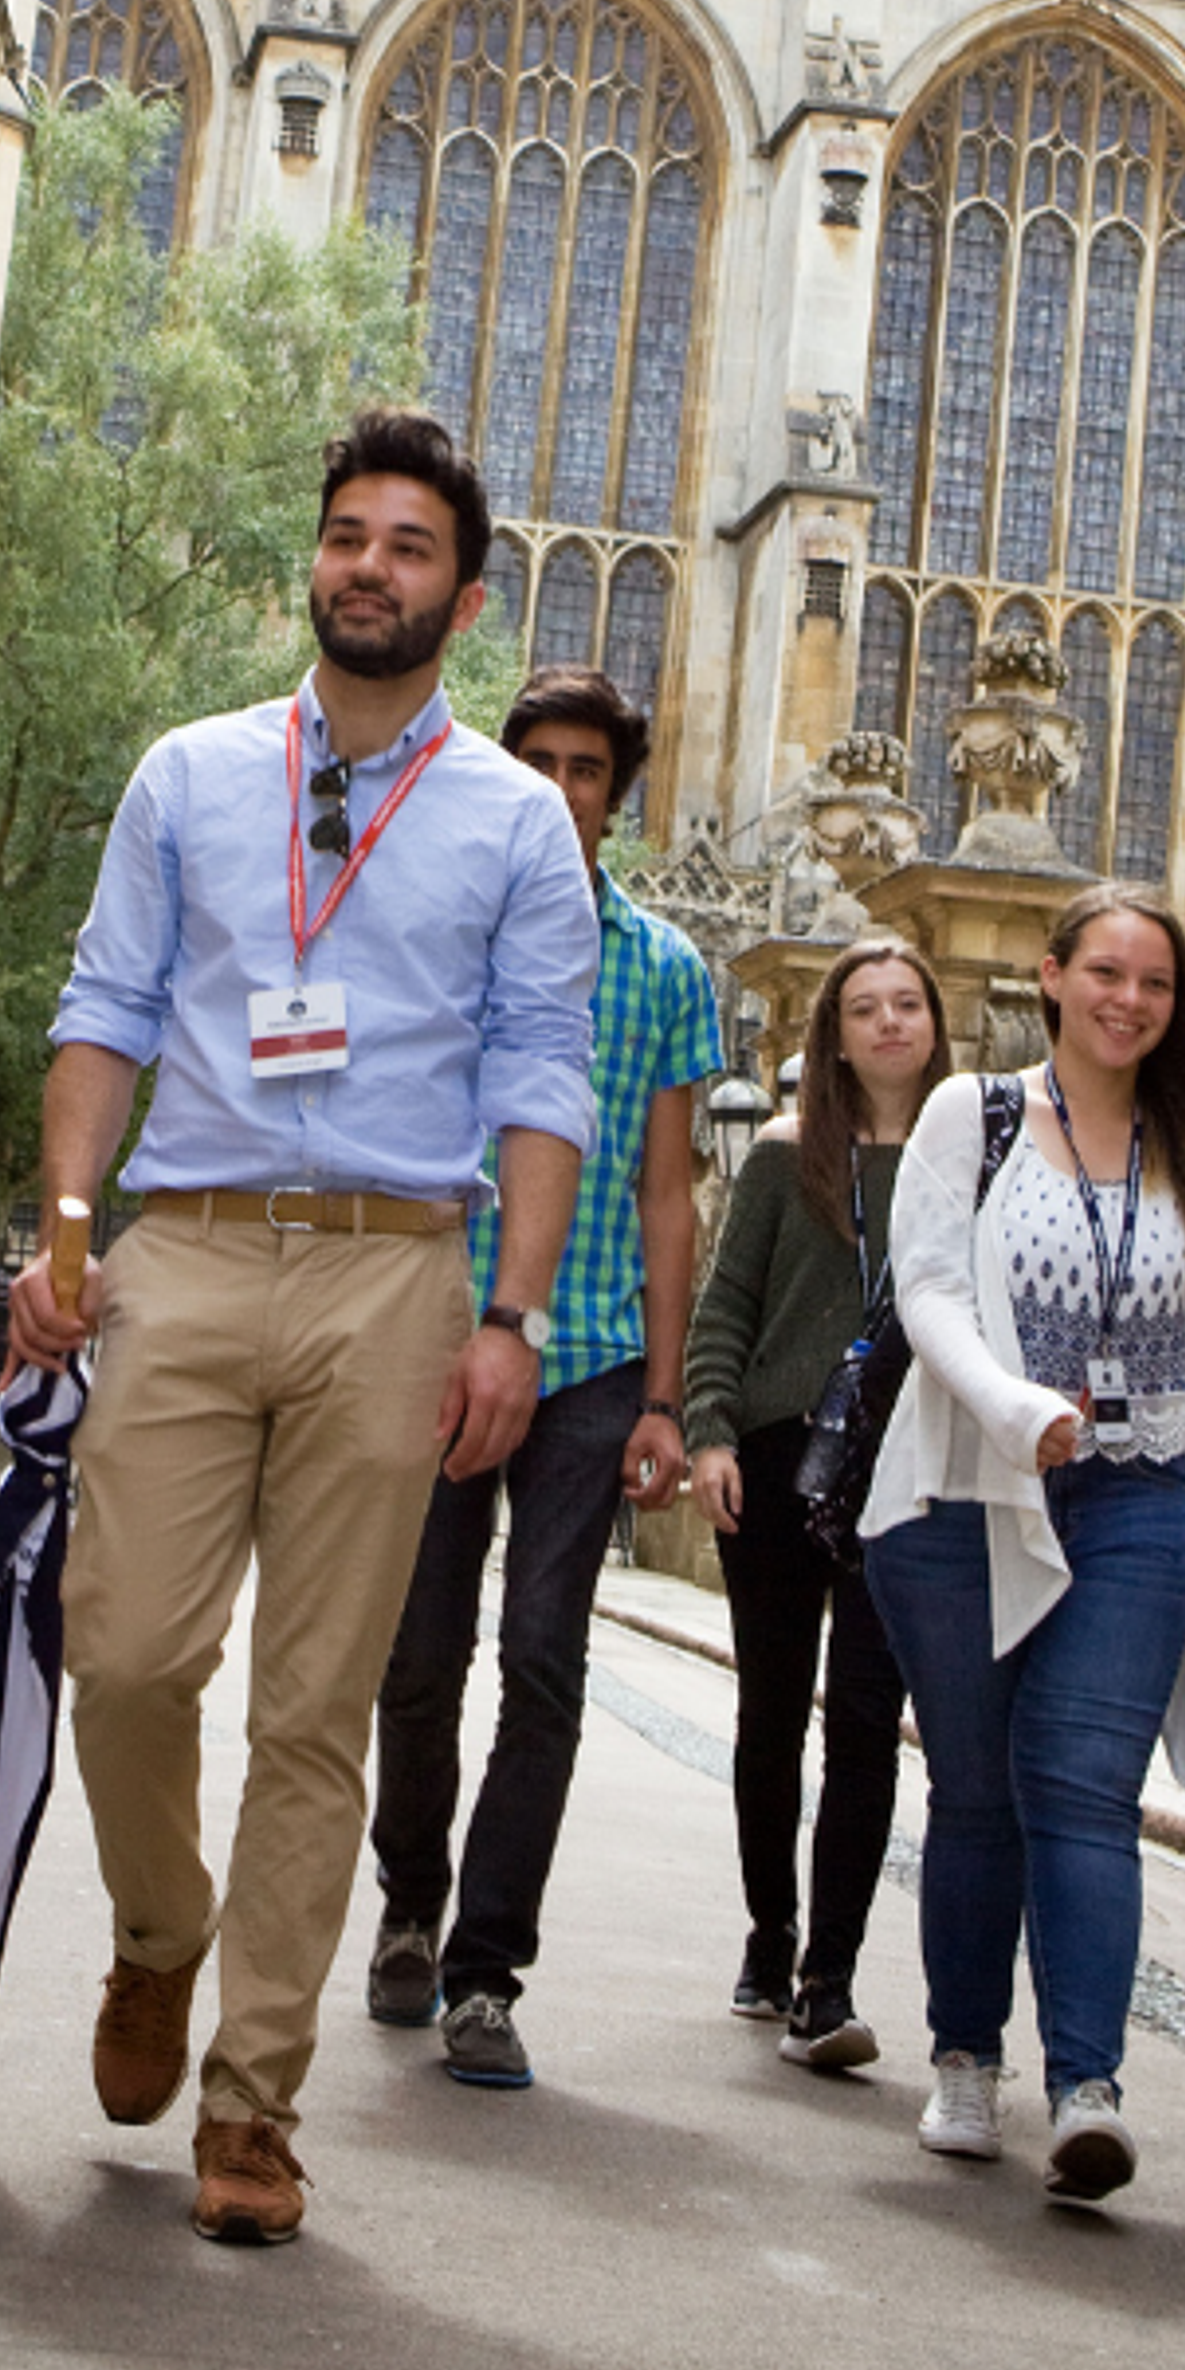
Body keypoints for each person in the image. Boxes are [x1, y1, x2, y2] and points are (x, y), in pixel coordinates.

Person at [5, 408, 595, 2249]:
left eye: (410, 546)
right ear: (315, 562)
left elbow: (545, 1085)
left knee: (315, 1709)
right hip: (180, 1249)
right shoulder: (189, 777)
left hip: (395, 1267)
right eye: (349, 535)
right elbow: (105, 1006)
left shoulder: (513, 823)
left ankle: (254, 2097)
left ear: (466, 594)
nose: (371, 566)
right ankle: (159, 1934)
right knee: (122, 1658)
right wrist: (68, 1228)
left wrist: (511, 1318)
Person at [857, 882, 1185, 2200]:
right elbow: (924, 1286)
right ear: (1052, 976)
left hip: (1138, 1498)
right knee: (978, 1789)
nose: (1129, 1000)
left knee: (1086, 1786)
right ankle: (967, 2060)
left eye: (1155, 982)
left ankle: (1089, 2083)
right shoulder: (970, 1112)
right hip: (964, 1491)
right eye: (1106, 972)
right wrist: (1013, 1403)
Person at [366, 663, 720, 2090]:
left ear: (618, 796)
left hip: (592, 1355)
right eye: (544, 762)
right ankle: (406, 1900)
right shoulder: (446, 926)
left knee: (545, 1658)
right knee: (417, 1649)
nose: (566, 789)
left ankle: (485, 1968)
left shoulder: (669, 967)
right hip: (448, 1325)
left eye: (590, 770)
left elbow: (670, 1195)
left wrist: (665, 1397)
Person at [683, 934, 948, 2071]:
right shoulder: (785, 1159)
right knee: (774, 1709)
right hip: (782, 1452)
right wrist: (706, 1432)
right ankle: (768, 1929)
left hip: (907, 1465)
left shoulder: (970, 1159)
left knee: (866, 1724)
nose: (889, 1022)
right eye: (866, 1006)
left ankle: (826, 1977)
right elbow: (726, 1308)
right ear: (831, 1032)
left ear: (936, 1022)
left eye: (908, 1003)